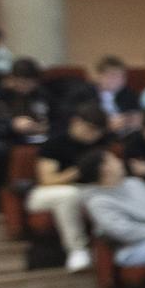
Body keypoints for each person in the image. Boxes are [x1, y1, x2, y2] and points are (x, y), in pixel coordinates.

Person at [29, 102, 110, 271]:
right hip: (47, 193)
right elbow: (46, 179)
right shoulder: (55, 143)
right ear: (76, 122)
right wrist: (76, 172)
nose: (93, 135)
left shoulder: (101, 144)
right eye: (89, 129)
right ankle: (77, 249)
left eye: (98, 131)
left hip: (87, 189)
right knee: (69, 194)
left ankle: (108, 246)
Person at [0, 59, 51, 216]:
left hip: (35, 137)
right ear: (12, 79)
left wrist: (43, 126)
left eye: (31, 83)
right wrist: (11, 126)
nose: (26, 87)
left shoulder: (40, 94)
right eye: (22, 82)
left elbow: (52, 116)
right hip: (2, 137)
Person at [90, 56, 142, 136]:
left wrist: (133, 120)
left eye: (121, 76)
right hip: (99, 136)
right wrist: (107, 125)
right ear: (98, 76)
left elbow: (137, 113)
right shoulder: (88, 94)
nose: (118, 80)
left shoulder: (128, 93)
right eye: (112, 75)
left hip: (128, 136)